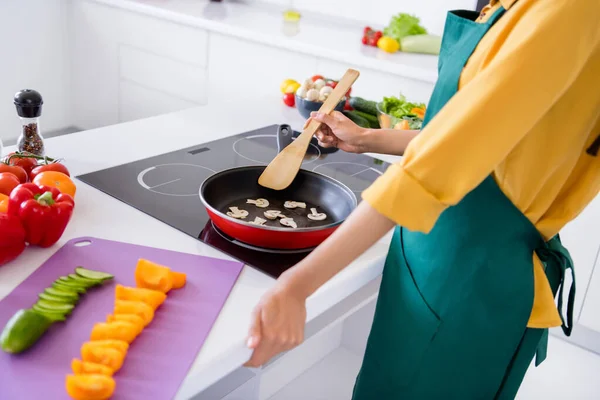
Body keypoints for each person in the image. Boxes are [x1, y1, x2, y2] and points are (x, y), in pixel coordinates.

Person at [245, 0, 600, 398]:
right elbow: (475, 133)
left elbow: (443, 159)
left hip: (471, 279)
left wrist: (296, 284)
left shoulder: (572, 10)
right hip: (426, 255)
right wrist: (367, 139)